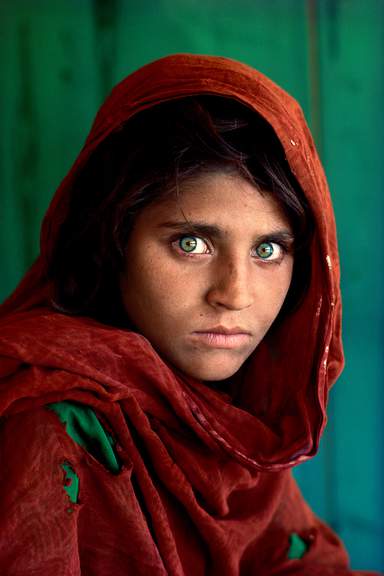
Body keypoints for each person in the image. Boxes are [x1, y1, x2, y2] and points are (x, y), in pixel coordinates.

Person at [0, 54, 378, 575]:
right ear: (114, 241)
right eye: (191, 242)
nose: (235, 295)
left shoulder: (231, 422)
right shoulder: (52, 425)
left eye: (268, 250)